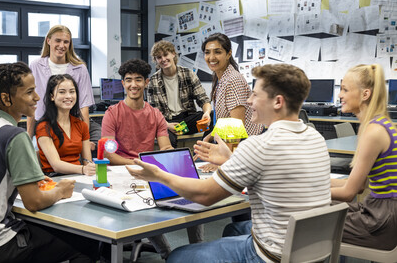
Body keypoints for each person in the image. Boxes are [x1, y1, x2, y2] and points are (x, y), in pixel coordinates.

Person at [127, 63, 332, 262]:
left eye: (255, 94)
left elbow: (204, 195)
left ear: (278, 102)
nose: (249, 101)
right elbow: (276, 169)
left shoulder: (259, 145)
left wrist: (158, 175)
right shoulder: (315, 138)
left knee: (177, 256)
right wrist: (231, 159)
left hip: (271, 256)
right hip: (312, 251)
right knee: (233, 229)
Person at [0, 62, 99, 263]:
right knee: (86, 242)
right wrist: (61, 190)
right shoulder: (15, 136)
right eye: (29, 92)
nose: (37, 97)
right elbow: (34, 202)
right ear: (6, 98)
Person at [101, 58, 203, 259]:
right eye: (128, 80)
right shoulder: (112, 113)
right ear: (123, 83)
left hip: (148, 171)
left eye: (138, 80)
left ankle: (197, 251)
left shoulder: (155, 114)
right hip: (122, 172)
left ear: (146, 83)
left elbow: (164, 145)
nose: (133, 85)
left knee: (190, 192)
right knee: (147, 204)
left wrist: (174, 157)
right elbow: (108, 155)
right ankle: (167, 254)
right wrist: (141, 163)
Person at [331, 64, 397, 251]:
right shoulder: (378, 124)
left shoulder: (373, 131)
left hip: (381, 219)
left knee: (309, 222)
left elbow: (348, 193)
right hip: (380, 210)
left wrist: (303, 192)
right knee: (320, 208)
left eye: (345, 89)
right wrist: (314, 182)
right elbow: (359, 186)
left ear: (365, 94)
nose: (339, 95)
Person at [27, 25, 100, 151]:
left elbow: (84, 106)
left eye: (66, 42)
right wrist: (28, 137)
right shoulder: (35, 66)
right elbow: (32, 104)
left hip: (72, 125)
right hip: (45, 125)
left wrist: (84, 140)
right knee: (38, 154)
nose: (62, 45)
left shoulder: (80, 68)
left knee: (93, 147)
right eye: (58, 40)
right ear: (48, 40)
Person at [200, 33, 263, 172]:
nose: (211, 57)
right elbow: (226, 120)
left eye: (218, 52)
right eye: (207, 52)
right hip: (233, 145)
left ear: (228, 54)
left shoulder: (233, 80)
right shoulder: (221, 78)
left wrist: (223, 161)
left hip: (244, 147)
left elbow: (235, 126)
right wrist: (208, 137)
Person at [147, 40, 212, 148]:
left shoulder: (188, 73)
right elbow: (153, 113)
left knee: (213, 117)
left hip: (187, 121)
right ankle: (173, 163)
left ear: (173, 54)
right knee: (168, 141)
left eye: (165, 54)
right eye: (159, 57)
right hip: (166, 122)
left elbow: (203, 99)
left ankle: (203, 150)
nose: (163, 59)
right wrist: (167, 125)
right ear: (156, 60)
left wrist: (207, 113)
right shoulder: (153, 81)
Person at [36, 74, 96, 176]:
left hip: (79, 176)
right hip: (54, 178)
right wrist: (83, 169)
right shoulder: (43, 127)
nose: (68, 96)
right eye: (62, 92)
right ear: (52, 96)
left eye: (72, 91)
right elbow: (56, 165)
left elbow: (87, 161)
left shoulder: (81, 125)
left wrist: (90, 168)